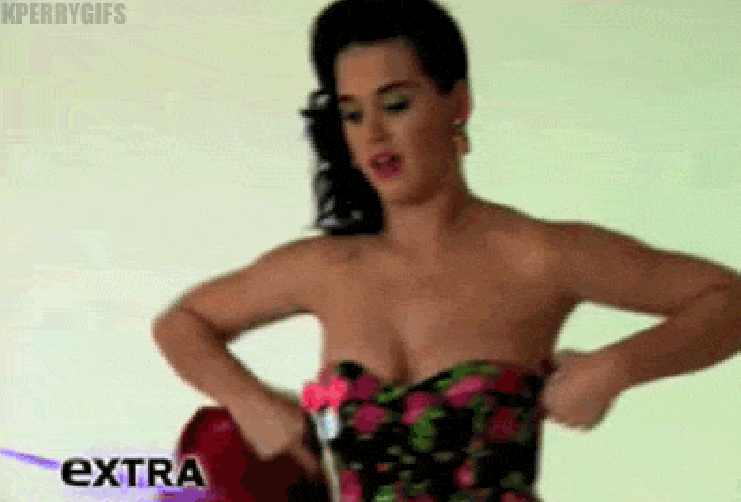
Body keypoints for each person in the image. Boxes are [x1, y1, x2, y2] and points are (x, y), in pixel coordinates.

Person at [151, 0, 741, 500]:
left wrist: (616, 368)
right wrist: (247, 401)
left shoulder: (536, 255)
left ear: (457, 104)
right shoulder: (325, 269)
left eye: (396, 104)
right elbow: (182, 323)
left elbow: (727, 300)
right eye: (353, 114)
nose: (374, 134)